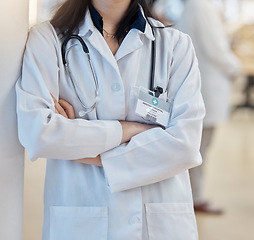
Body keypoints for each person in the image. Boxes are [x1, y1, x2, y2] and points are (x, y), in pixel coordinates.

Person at [16, 0, 205, 239]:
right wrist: (130, 130)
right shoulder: (47, 40)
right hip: (82, 221)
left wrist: (75, 143)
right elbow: (37, 135)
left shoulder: (176, 45)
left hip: (159, 223)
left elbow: (185, 146)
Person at [176, 0, 241, 214]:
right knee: (198, 149)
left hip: (202, 86)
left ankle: (193, 196)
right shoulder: (203, 6)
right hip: (206, 88)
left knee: (198, 147)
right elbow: (217, 49)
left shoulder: (198, 6)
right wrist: (236, 68)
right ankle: (194, 198)